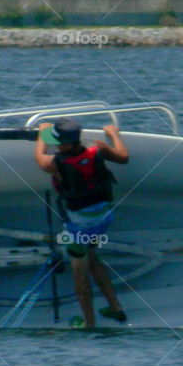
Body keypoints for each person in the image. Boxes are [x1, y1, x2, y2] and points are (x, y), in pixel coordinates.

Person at [34, 117, 129, 328]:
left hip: (79, 227)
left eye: (58, 141)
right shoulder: (99, 149)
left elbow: (39, 158)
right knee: (92, 257)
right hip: (103, 219)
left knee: (80, 274)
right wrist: (114, 134)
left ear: (67, 144)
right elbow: (124, 157)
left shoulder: (55, 163)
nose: (56, 145)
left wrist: (42, 134)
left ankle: (89, 323)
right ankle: (115, 308)